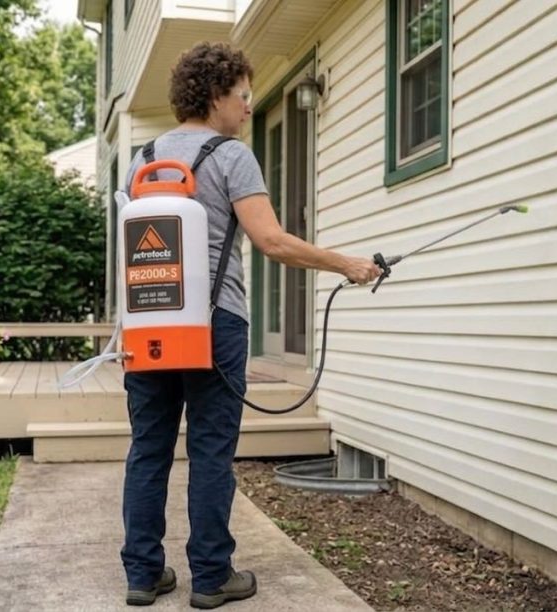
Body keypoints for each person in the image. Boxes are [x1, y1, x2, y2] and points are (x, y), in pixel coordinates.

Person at [120, 41, 381, 609]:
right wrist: (348, 263)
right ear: (216, 96)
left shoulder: (141, 159)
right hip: (216, 326)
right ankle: (211, 578)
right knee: (211, 451)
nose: (247, 107)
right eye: (243, 96)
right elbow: (271, 241)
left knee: (148, 449)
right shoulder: (232, 155)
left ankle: (143, 575)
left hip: (148, 327)